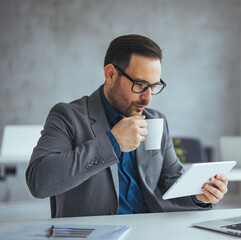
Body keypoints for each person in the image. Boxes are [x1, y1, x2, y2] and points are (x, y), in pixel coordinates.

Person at [26, 34, 229, 218]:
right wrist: (111, 143)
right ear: (111, 74)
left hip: (149, 231)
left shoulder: (156, 120)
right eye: (140, 84)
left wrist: (199, 194)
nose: (148, 97)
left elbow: (172, 181)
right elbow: (39, 182)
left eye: (154, 86)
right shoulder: (68, 116)